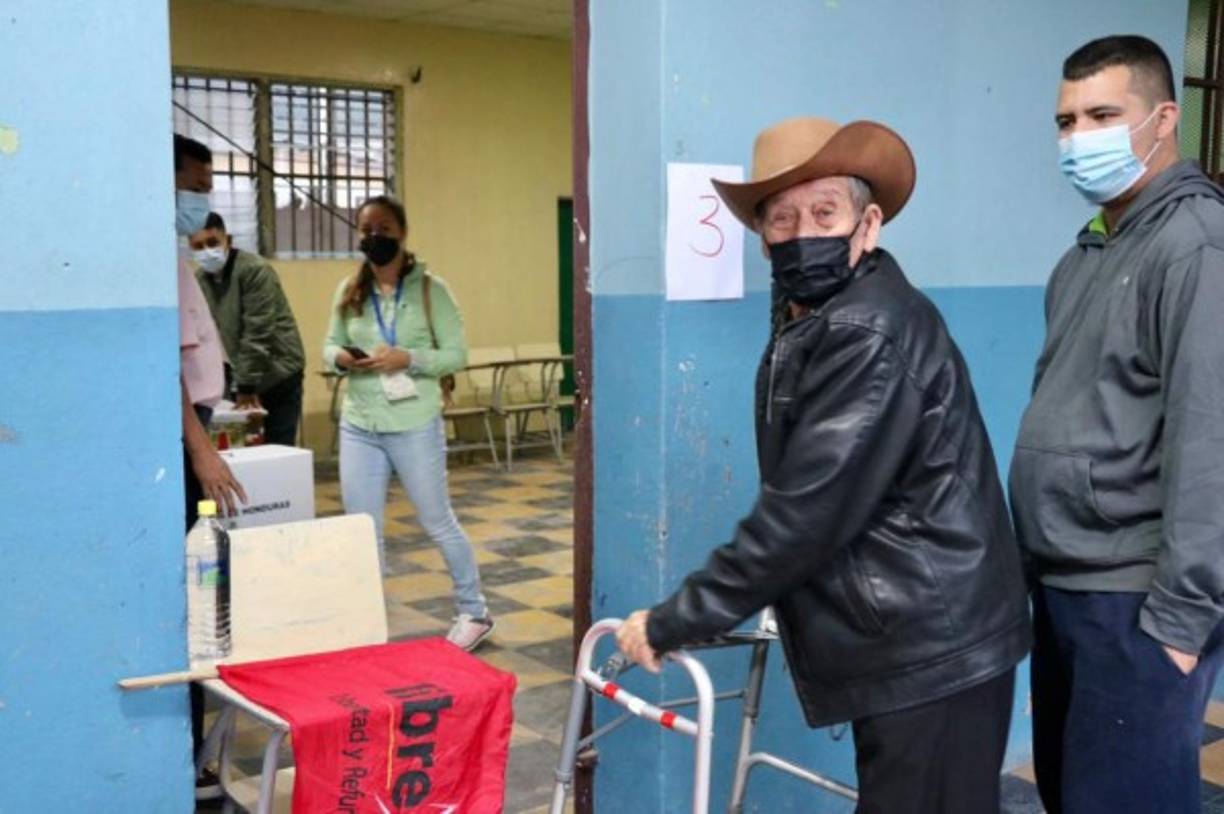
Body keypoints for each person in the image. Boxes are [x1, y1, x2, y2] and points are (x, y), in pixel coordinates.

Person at [614, 117, 1032, 813]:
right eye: (782, 218)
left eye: (824, 212)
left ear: (868, 224)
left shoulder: (866, 328)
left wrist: (672, 620)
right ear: (762, 237)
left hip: (934, 646)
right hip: (915, 635)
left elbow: (805, 511)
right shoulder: (817, 315)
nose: (802, 230)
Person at [1010, 35, 1224, 814]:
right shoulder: (1087, 255)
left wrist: (1181, 621)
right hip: (1067, 590)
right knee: (1075, 796)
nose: (1078, 138)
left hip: (1137, 601)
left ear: (1164, 118)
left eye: (1103, 114)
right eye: (1065, 121)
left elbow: (1213, 442)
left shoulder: (1195, 245)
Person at [323, 195, 494, 652]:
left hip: (414, 422)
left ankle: (474, 611)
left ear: (402, 233)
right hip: (360, 423)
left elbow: (456, 355)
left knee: (436, 519)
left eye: (383, 229)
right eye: (365, 229)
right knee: (362, 527)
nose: (373, 237)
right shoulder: (349, 291)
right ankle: (367, 618)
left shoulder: (429, 290)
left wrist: (409, 358)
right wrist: (341, 358)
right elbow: (328, 345)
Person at [172, 134, 247, 802]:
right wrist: (199, 449)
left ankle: (196, 752)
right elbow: (161, 367)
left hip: (199, 421)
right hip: (181, 443)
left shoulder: (177, 258)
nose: (204, 201)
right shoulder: (154, 257)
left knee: (204, 596)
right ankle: (188, 759)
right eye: (196, 185)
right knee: (193, 599)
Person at [191, 212, 306, 446]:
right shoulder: (200, 279)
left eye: (212, 243)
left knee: (278, 451)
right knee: (241, 452)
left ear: (228, 240)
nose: (206, 251)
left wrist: (245, 386)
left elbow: (258, 330)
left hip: (278, 373)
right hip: (242, 377)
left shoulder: (255, 270)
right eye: (198, 246)